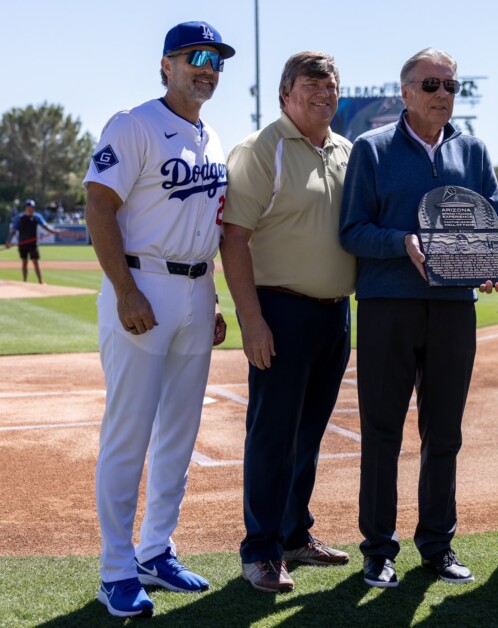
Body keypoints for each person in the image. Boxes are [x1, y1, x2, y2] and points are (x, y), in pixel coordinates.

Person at [82, 21, 233, 617]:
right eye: (196, 56)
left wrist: (214, 298)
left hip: (195, 293)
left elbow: (207, 229)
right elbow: (98, 203)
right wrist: (124, 290)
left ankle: (155, 550)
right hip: (142, 286)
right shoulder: (134, 123)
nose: (207, 67)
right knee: (129, 434)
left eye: (216, 60)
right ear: (165, 65)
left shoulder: (212, 138)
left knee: (180, 434)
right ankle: (116, 569)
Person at [339, 48, 498, 588]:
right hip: (389, 306)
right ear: (405, 91)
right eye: (431, 85)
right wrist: (400, 242)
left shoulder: (474, 151)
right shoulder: (372, 148)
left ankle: (437, 545)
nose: (442, 95)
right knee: (382, 432)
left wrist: (488, 260)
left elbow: (493, 223)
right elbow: (352, 230)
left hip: (453, 308)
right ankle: (378, 549)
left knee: (446, 434)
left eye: (451, 86)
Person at [221, 51, 353, 594]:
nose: (323, 95)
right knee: (272, 435)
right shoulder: (260, 150)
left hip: (335, 316)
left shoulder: (348, 151)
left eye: (330, 88)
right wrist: (251, 320)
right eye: (310, 88)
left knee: (309, 434)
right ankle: (261, 551)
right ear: (285, 95)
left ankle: (296, 534)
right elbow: (233, 237)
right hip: (280, 310)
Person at [5, 200, 59, 283]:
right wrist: (8, 241)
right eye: (30, 207)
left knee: (35, 262)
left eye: (33, 207)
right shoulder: (19, 218)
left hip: (33, 243)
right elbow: (13, 231)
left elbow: (45, 226)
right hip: (22, 243)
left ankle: (40, 281)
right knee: (24, 262)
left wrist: (53, 231)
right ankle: (25, 281)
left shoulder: (37, 217)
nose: (32, 209)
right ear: (26, 208)